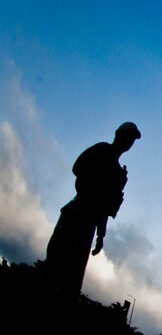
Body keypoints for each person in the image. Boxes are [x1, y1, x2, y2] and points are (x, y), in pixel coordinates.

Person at [43, 121, 141, 301]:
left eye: (132, 140)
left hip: (88, 226)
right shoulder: (102, 150)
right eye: (127, 137)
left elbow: (105, 208)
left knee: (72, 279)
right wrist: (98, 185)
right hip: (75, 214)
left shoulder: (119, 173)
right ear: (117, 134)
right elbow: (77, 168)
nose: (128, 142)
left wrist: (101, 236)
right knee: (53, 266)